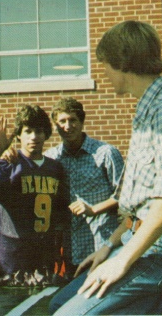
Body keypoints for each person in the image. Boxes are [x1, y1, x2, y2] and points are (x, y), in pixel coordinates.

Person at [49, 20, 162, 315]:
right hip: (134, 242)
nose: (104, 74)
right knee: (57, 303)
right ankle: (157, 302)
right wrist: (108, 248)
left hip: (161, 252)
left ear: (123, 62)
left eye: (106, 65)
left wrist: (121, 262)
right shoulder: (146, 109)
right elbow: (138, 206)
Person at [0, 105, 70, 286]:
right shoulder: (9, 164)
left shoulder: (55, 169)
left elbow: (61, 215)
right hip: (12, 262)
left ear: (46, 134)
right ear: (18, 135)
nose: (33, 137)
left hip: (43, 263)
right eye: (28, 131)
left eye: (38, 131)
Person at [44, 97, 124, 278]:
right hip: (71, 250)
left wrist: (94, 209)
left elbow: (125, 197)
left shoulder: (106, 153)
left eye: (73, 120)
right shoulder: (51, 158)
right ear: (55, 126)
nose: (68, 126)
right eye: (62, 121)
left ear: (82, 121)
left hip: (103, 246)